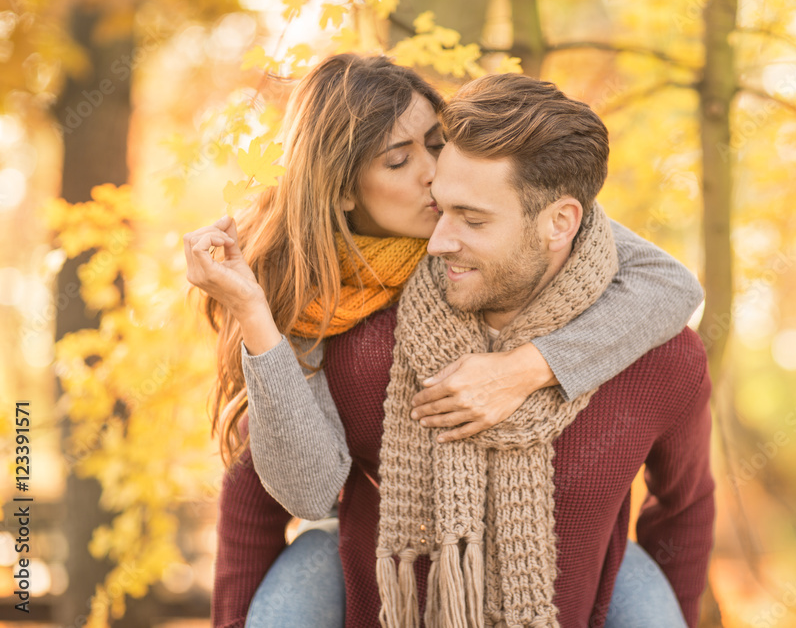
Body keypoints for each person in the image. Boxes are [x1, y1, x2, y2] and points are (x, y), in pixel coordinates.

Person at [184, 55, 704, 628]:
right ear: (343, 191)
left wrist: (529, 368)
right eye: (400, 160)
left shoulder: (532, 224)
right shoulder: (321, 306)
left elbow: (668, 281)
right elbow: (268, 494)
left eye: (438, 143)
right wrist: (255, 314)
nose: (434, 175)